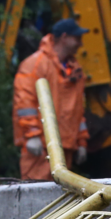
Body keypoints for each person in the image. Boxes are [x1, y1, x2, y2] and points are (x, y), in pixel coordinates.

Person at [13, 18, 89, 181]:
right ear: (64, 37)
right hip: (40, 146)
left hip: (65, 147)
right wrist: (32, 135)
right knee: (35, 196)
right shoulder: (36, 64)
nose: (80, 43)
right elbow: (25, 101)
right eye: (77, 38)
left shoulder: (75, 70)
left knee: (60, 200)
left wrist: (81, 141)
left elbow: (78, 109)